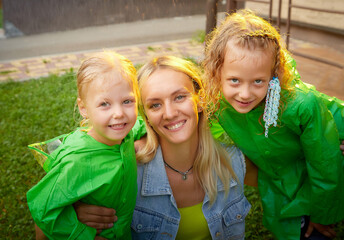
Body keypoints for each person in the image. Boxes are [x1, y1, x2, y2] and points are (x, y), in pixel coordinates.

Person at [202, 9, 344, 240]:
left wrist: (322, 213)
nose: (245, 94)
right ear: (217, 71)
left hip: (317, 172)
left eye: (258, 81)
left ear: (274, 74)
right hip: (278, 184)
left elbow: (324, 163)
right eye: (234, 80)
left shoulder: (301, 105)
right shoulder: (215, 102)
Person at [75, 55, 252, 239]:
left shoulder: (233, 160)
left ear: (200, 100)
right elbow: (45, 221)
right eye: (155, 105)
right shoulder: (127, 170)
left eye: (179, 97)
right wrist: (73, 213)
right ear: (145, 115)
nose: (169, 113)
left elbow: (280, 175)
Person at [27, 51, 141, 240]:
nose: (119, 113)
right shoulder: (77, 161)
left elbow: (140, 125)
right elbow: (42, 209)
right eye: (105, 104)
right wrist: (86, 236)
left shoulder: (125, 133)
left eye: (127, 101)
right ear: (83, 108)